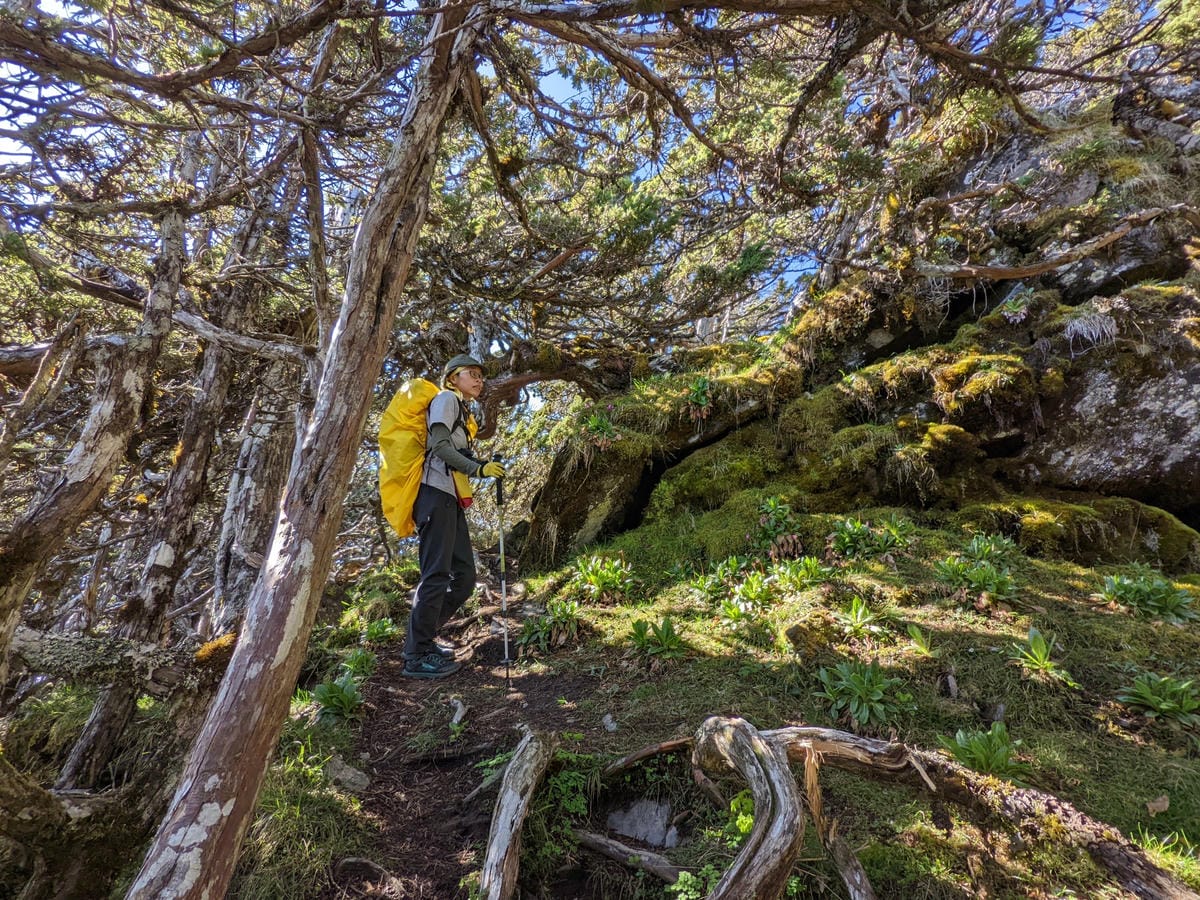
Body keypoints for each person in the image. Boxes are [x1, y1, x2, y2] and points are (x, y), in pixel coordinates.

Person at [402, 354, 506, 678]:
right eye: (471, 374)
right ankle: (415, 656)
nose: (479, 379)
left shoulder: (461, 409)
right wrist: (478, 468)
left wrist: (479, 464)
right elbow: (440, 447)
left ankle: (423, 639)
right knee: (435, 574)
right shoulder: (446, 399)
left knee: (464, 578)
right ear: (452, 378)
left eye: (481, 375)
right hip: (434, 497)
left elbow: (454, 453)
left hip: (451, 500)